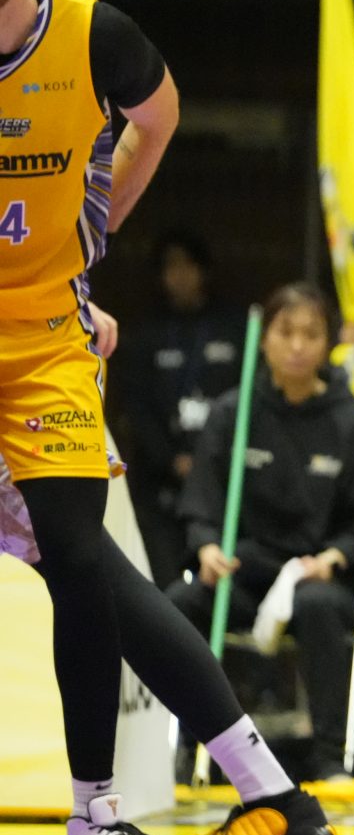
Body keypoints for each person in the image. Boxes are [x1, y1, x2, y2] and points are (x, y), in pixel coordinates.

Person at [0, 0, 332, 835]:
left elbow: (161, 115)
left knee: (79, 560)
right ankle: (269, 786)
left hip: (45, 346)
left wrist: (91, 246)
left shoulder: (95, 37)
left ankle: (97, 816)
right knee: (96, 574)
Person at [165, 283, 354, 766]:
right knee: (181, 602)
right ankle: (183, 748)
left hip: (316, 578)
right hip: (243, 574)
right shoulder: (233, 413)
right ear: (264, 338)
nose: (296, 346)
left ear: (328, 343)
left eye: (310, 334)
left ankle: (331, 756)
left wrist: (336, 557)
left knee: (318, 604)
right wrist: (207, 546)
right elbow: (202, 502)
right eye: (285, 332)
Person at [107, 231, 246, 587]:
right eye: (171, 267)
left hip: (224, 474)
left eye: (188, 265)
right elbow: (136, 408)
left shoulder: (233, 326)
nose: (180, 275)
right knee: (165, 583)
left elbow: (244, 399)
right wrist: (171, 459)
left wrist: (211, 460)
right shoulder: (147, 332)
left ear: (204, 270)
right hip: (161, 479)